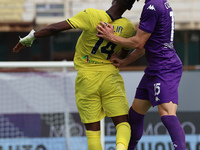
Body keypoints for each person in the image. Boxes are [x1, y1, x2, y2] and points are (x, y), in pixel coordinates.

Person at [13, 0, 138, 149]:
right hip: (110, 77)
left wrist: (31, 37)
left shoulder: (92, 15)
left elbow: (54, 28)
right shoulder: (128, 28)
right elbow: (122, 53)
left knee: (93, 132)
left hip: (87, 79)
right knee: (123, 123)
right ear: (130, 6)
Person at [96, 0, 186, 149]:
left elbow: (138, 43)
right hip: (155, 68)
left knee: (167, 114)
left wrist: (111, 36)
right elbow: (144, 45)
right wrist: (124, 61)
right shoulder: (159, 3)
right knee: (135, 114)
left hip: (165, 68)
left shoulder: (152, 6)